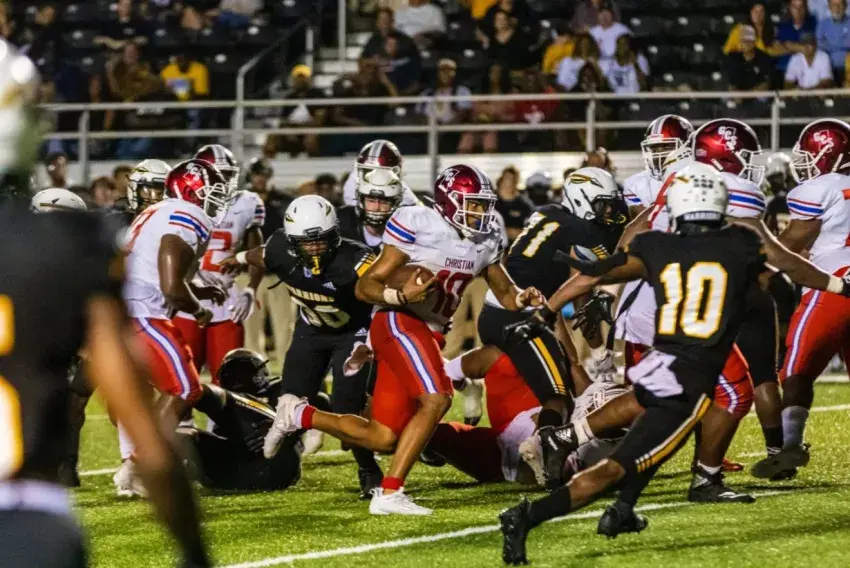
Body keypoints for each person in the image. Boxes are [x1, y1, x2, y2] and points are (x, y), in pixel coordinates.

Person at [498, 162, 850, 564]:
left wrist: (546, 312)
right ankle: (526, 517)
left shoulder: (656, 246)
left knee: (652, 442)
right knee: (626, 463)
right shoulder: (738, 243)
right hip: (690, 375)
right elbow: (787, 274)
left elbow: (596, 273)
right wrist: (836, 287)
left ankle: (623, 506)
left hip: (664, 362)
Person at [263, 165, 543, 515]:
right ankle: (389, 492)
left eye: (483, 204)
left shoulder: (486, 239)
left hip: (429, 331)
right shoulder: (418, 222)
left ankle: (298, 413)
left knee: (383, 437)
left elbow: (506, 293)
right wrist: (400, 295)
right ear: (450, 201)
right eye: (472, 204)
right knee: (437, 397)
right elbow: (366, 286)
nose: (480, 212)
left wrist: (523, 298)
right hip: (399, 320)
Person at [615, 119, 771, 493]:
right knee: (694, 394)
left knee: (675, 392)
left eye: (665, 148)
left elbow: (629, 242)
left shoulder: (677, 182)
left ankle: (578, 441)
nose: (659, 157)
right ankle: (700, 476)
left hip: (665, 301)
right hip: (672, 305)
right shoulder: (726, 187)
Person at [224, 195, 384, 498]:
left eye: (320, 241)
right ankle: (277, 461)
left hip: (353, 334)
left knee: (347, 408)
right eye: (305, 242)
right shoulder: (279, 249)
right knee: (289, 399)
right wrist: (238, 258)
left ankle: (368, 468)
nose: (313, 248)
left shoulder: (356, 259)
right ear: (291, 240)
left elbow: (385, 285)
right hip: (311, 332)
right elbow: (260, 254)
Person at [481, 167, 627, 490]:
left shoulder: (548, 213)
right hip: (522, 309)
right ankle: (543, 448)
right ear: (583, 200)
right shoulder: (581, 228)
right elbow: (601, 271)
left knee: (562, 374)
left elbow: (572, 286)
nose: (608, 211)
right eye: (602, 204)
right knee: (558, 394)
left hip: (505, 306)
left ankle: (535, 438)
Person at [116, 158, 230, 495]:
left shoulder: (158, 211)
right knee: (184, 388)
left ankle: (136, 464)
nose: (216, 201)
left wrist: (196, 290)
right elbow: (170, 285)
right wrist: (198, 309)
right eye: (211, 192)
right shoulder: (187, 213)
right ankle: (138, 467)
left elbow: (159, 268)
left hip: (127, 308)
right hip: (143, 312)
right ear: (191, 191)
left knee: (156, 389)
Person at [751, 118, 850, 479]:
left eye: (809, 155)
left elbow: (790, 244)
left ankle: (790, 443)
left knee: (796, 370)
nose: (804, 164)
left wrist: (757, 272)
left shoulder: (819, 188)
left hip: (834, 285)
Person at [172, 151, 265, 382]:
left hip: (226, 297)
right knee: (183, 377)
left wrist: (251, 289)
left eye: (228, 174)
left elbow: (258, 252)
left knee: (228, 377)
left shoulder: (246, 203)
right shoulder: (181, 204)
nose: (224, 181)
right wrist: (190, 276)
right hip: (188, 295)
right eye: (217, 174)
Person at [177, 349, 303, 491]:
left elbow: (201, 392)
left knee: (183, 433)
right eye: (262, 371)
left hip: (266, 468)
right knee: (184, 435)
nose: (266, 375)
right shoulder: (267, 397)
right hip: (253, 472)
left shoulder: (274, 394)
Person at [241, 158, 296, 365]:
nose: (260, 179)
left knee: (285, 326)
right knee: (250, 328)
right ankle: (254, 370)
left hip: (278, 274)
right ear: (250, 176)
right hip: (248, 273)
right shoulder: (240, 202)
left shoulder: (284, 201)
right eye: (257, 174)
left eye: (263, 175)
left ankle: (289, 370)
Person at [339, 167, 405, 252]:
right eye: (371, 200)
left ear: (395, 203)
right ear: (361, 201)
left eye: (384, 201)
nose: (376, 207)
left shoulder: (406, 230)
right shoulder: (342, 221)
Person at [266, 65, 326, 158]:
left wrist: (297, 128)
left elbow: (318, 121)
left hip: (310, 129)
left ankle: (314, 164)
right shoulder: (290, 97)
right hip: (291, 128)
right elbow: (284, 119)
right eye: (297, 78)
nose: (300, 80)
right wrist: (288, 128)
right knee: (271, 138)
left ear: (309, 79)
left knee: (310, 139)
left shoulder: (318, 95)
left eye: (303, 77)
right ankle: (270, 164)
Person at [342, 139, 420, 208]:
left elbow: (413, 206)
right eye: (367, 170)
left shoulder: (405, 197)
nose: (372, 177)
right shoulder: (354, 182)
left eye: (379, 172)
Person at [416, 59, 473, 153]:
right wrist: (431, 125)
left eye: (450, 70)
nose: (446, 73)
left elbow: (462, 114)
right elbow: (419, 114)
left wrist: (444, 128)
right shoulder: (427, 93)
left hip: (452, 131)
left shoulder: (462, 91)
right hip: (430, 129)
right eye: (442, 70)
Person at [726, 25, 774, 91]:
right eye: (742, 41)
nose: (745, 44)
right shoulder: (733, 57)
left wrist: (747, 94)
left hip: (757, 95)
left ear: (754, 42)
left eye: (748, 41)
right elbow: (731, 84)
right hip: (737, 95)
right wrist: (738, 94)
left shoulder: (765, 58)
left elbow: (765, 84)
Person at [494, 166, 534, 243]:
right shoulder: (492, 201)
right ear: (502, 179)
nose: (510, 183)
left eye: (513, 179)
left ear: (518, 181)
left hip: (516, 245)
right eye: (508, 179)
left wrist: (503, 231)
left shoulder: (525, 204)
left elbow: (530, 232)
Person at [776, 0, 818, 74]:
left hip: (807, 68)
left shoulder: (813, 23)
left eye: (801, 7)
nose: (798, 11)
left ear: (806, 8)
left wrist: (790, 46)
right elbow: (778, 47)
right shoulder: (783, 25)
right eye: (794, 7)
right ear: (789, 8)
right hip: (785, 68)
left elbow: (811, 48)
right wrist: (799, 48)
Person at [815, 0, 850, 79]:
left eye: (840, 5)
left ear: (845, 6)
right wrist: (843, 46)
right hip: (827, 68)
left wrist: (830, 45)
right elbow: (819, 45)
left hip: (848, 67)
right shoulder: (822, 24)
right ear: (829, 7)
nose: (837, 8)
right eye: (834, 5)